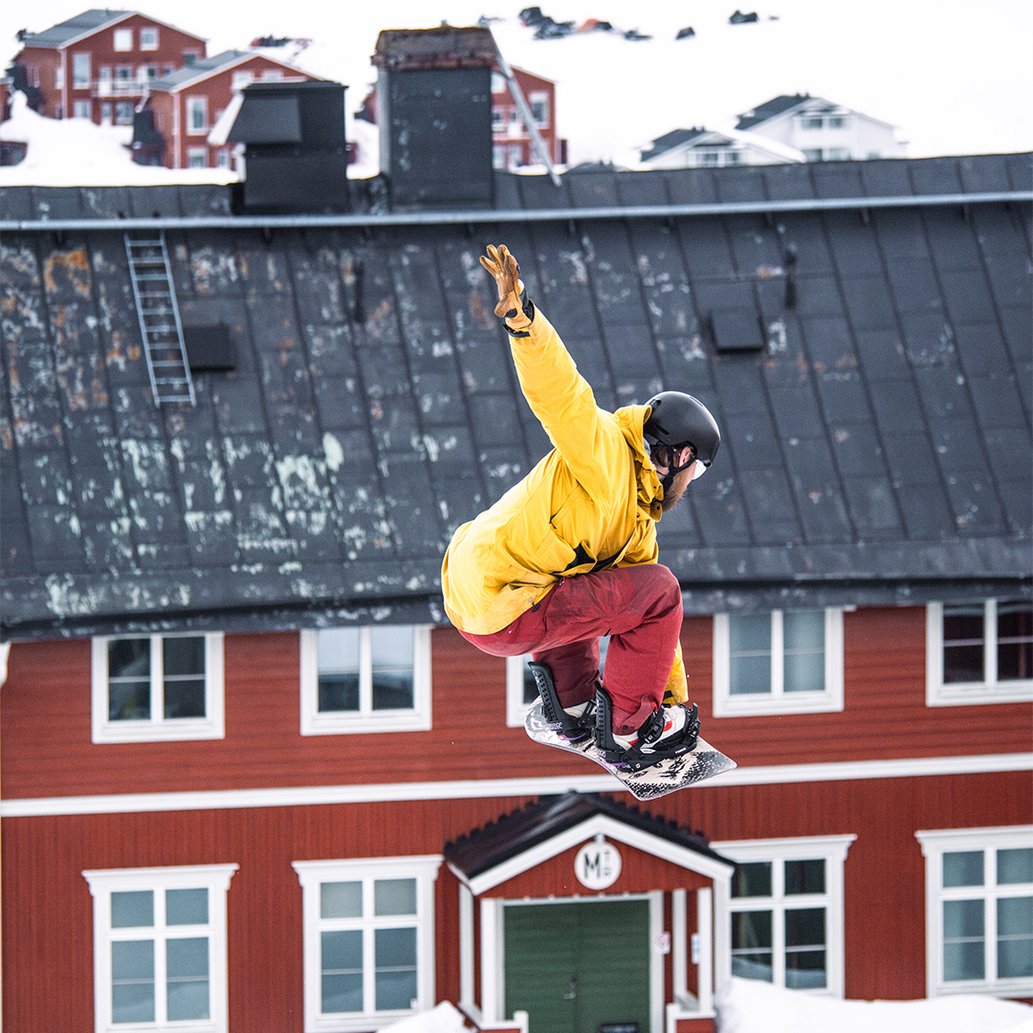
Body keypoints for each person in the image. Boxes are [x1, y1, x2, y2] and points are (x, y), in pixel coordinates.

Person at [441, 244, 721, 771]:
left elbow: (656, 635)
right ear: (679, 456)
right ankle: (630, 729)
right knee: (658, 590)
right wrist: (524, 320)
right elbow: (561, 393)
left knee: (598, 587)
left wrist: (675, 698)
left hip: (473, 593)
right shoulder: (606, 450)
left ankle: (571, 707)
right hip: (502, 601)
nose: (691, 484)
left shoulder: (637, 525)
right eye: (697, 472)